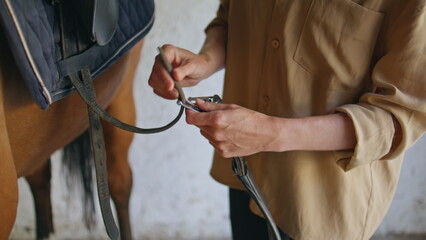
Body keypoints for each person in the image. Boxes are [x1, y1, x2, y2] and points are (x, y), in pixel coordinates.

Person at [148, 1, 426, 239]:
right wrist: (205, 60)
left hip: (322, 204)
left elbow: (398, 118)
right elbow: (229, 17)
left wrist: (272, 133)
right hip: (245, 177)